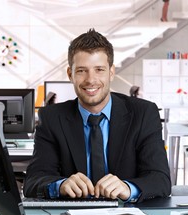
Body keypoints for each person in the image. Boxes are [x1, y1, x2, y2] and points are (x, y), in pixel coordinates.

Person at [23, 29, 171, 203]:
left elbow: (160, 179)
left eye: (99, 69)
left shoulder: (143, 114)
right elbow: (33, 181)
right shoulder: (52, 117)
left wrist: (128, 188)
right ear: (70, 74)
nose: (91, 80)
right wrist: (60, 185)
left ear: (111, 72)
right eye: (81, 71)